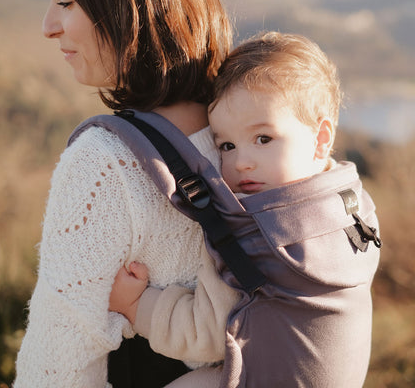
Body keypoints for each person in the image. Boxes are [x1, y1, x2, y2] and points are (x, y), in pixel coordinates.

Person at [110, 32, 378, 386]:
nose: (241, 163)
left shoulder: (260, 236)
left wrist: (137, 306)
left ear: (321, 139)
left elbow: (204, 333)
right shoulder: (352, 205)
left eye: (263, 139)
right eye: (227, 145)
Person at [13, 0, 237, 386]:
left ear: (131, 4)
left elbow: (59, 366)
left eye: (65, 1)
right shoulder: (253, 138)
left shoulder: (105, 162)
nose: (48, 26)